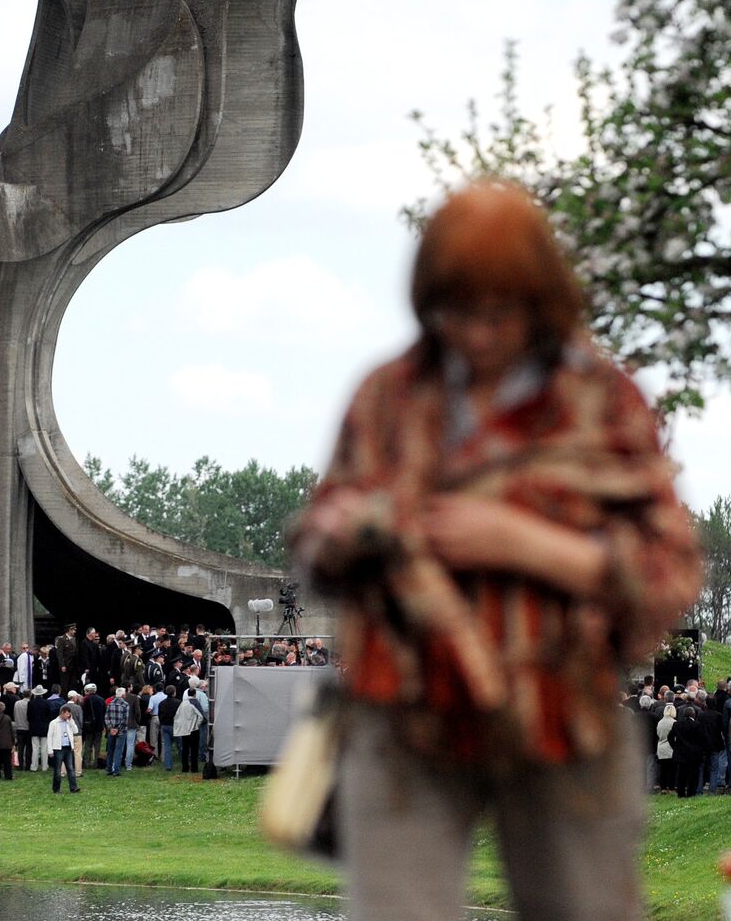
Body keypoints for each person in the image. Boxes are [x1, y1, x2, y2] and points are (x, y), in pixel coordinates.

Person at [291, 181, 702, 921]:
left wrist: (530, 546)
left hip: (561, 706)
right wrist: (341, 532)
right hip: (406, 709)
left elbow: (671, 571)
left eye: (497, 312)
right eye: (456, 311)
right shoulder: (387, 396)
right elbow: (316, 543)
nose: (476, 334)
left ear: (539, 301)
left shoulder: (602, 401)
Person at [47, 704, 81, 793]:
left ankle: (73, 787)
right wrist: (50, 750)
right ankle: (56, 788)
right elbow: (49, 736)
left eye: (69, 714)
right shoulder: (54, 723)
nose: (68, 716)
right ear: (62, 713)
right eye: (67, 714)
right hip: (58, 748)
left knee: (70, 768)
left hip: (68, 748)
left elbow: (76, 731)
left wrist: (71, 721)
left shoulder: (69, 722)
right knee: (57, 770)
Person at [173, 687, 204, 773]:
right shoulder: (195, 703)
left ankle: (185, 767)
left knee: (185, 749)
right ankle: (194, 768)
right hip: (193, 729)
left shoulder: (183, 703)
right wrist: (197, 725)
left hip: (184, 729)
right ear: (195, 694)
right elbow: (201, 716)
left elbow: (177, 715)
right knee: (194, 749)